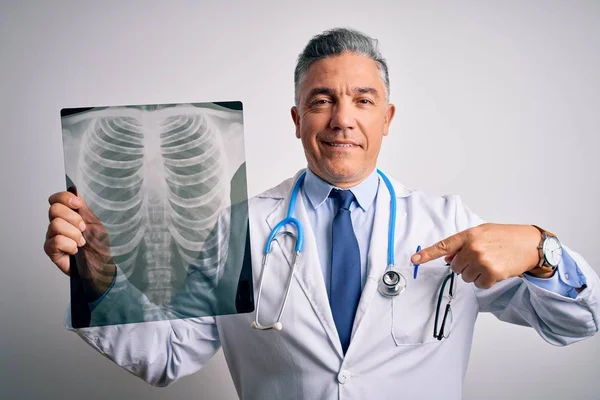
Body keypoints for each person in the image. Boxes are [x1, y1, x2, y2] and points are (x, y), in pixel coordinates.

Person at [44, 28, 599, 399]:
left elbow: (579, 323)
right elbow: (167, 354)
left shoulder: (446, 222)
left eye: (362, 100)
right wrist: (98, 278)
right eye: (321, 100)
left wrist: (542, 250)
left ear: (388, 117)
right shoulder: (240, 229)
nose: (342, 120)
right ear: (296, 118)